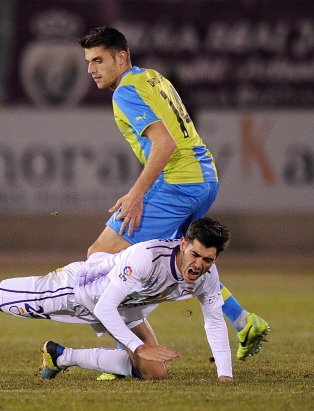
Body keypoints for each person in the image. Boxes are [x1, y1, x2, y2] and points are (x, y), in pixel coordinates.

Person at [0, 201, 235, 382]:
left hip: (123, 308)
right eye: (196, 254)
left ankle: (61, 356)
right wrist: (138, 345)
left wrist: (225, 375)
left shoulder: (207, 275)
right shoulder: (146, 258)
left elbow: (214, 319)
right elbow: (105, 308)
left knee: (154, 373)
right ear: (183, 243)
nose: (200, 264)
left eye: (208, 259)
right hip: (75, 292)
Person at [78, 27, 268, 362]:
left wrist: (137, 194)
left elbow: (165, 144)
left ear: (121, 57)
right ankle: (243, 320)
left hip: (177, 183)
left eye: (98, 60)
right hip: (205, 177)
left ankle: (134, 357)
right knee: (186, 260)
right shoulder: (152, 78)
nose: (92, 69)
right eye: (88, 61)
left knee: (99, 256)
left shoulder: (124, 93)